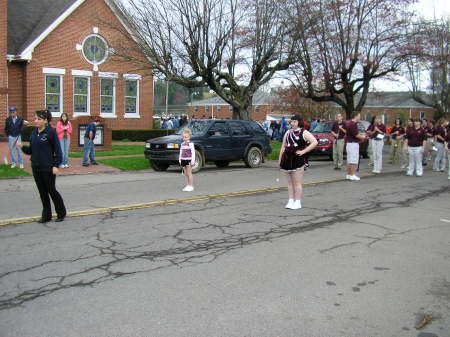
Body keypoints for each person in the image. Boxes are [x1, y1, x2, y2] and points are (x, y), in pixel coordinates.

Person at [21, 110, 66, 223]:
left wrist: (56, 165)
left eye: (38, 119)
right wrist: (22, 146)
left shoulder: (50, 132)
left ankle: (61, 213)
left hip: (48, 168)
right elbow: (31, 150)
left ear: (45, 120)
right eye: (35, 118)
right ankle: (46, 216)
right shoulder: (33, 133)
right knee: (42, 192)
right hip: (36, 167)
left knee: (51, 190)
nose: (35, 121)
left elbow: (58, 151)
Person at [279, 114, 318, 210]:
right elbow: (283, 146)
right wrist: (280, 159)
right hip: (287, 159)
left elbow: (314, 142)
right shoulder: (288, 132)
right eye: (291, 121)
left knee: (297, 182)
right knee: (289, 183)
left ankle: (298, 201)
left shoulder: (304, 132)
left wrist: (303, 151)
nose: (292, 123)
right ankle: (291, 199)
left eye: (294, 121)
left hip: (298, 159)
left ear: (299, 122)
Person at [344, 111, 366, 181]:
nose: (360, 117)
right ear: (355, 116)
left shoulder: (349, 123)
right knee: (353, 160)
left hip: (349, 144)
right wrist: (363, 137)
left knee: (350, 160)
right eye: (359, 116)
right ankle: (352, 174)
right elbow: (356, 135)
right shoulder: (353, 124)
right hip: (353, 144)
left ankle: (349, 174)